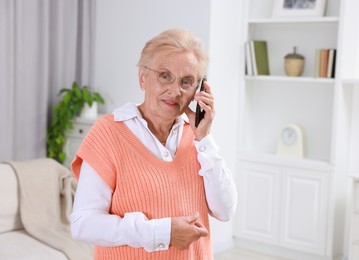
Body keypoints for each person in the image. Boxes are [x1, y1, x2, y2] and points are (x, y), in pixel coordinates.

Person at [70, 28, 237, 260]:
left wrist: (205, 139)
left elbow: (225, 210)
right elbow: (83, 224)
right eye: (164, 75)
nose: (175, 91)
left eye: (186, 82)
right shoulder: (108, 132)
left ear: (198, 91)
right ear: (142, 77)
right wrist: (163, 233)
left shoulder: (199, 138)